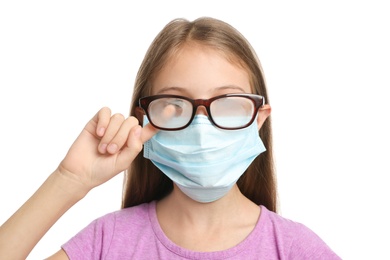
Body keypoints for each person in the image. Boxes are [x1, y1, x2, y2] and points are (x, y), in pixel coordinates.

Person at [0, 17, 340, 259]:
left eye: (227, 103)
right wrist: (69, 180)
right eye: (175, 105)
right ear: (144, 120)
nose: (202, 128)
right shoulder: (108, 242)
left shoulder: (296, 248)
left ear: (258, 119)